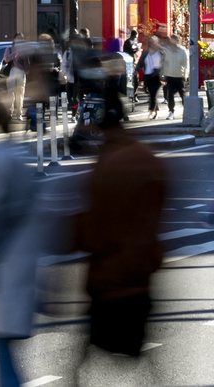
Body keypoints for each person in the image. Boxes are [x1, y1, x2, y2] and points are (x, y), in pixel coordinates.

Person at [70, 97, 167, 367]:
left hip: (111, 279)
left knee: (87, 361)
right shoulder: (145, 157)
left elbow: (96, 226)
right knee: (137, 359)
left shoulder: (109, 165)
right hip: (141, 274)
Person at [0, 105, 47, 387]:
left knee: (3, 344)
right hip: (25, 258)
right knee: (8, 343)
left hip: (5, 260)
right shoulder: (22, 159)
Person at [156, 33, 187, 120]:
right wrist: (162, 74)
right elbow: (164, 63)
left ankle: (186, 111)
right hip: (169, 75)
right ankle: (171, 112)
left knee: (182, 94)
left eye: (175, 41)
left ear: (178, 41)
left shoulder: (182, 51)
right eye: (172, 40)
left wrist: (185, 74)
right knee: (170, 95)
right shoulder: (167, 51)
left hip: (179, 76)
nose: (173, 43)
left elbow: (185, 64)